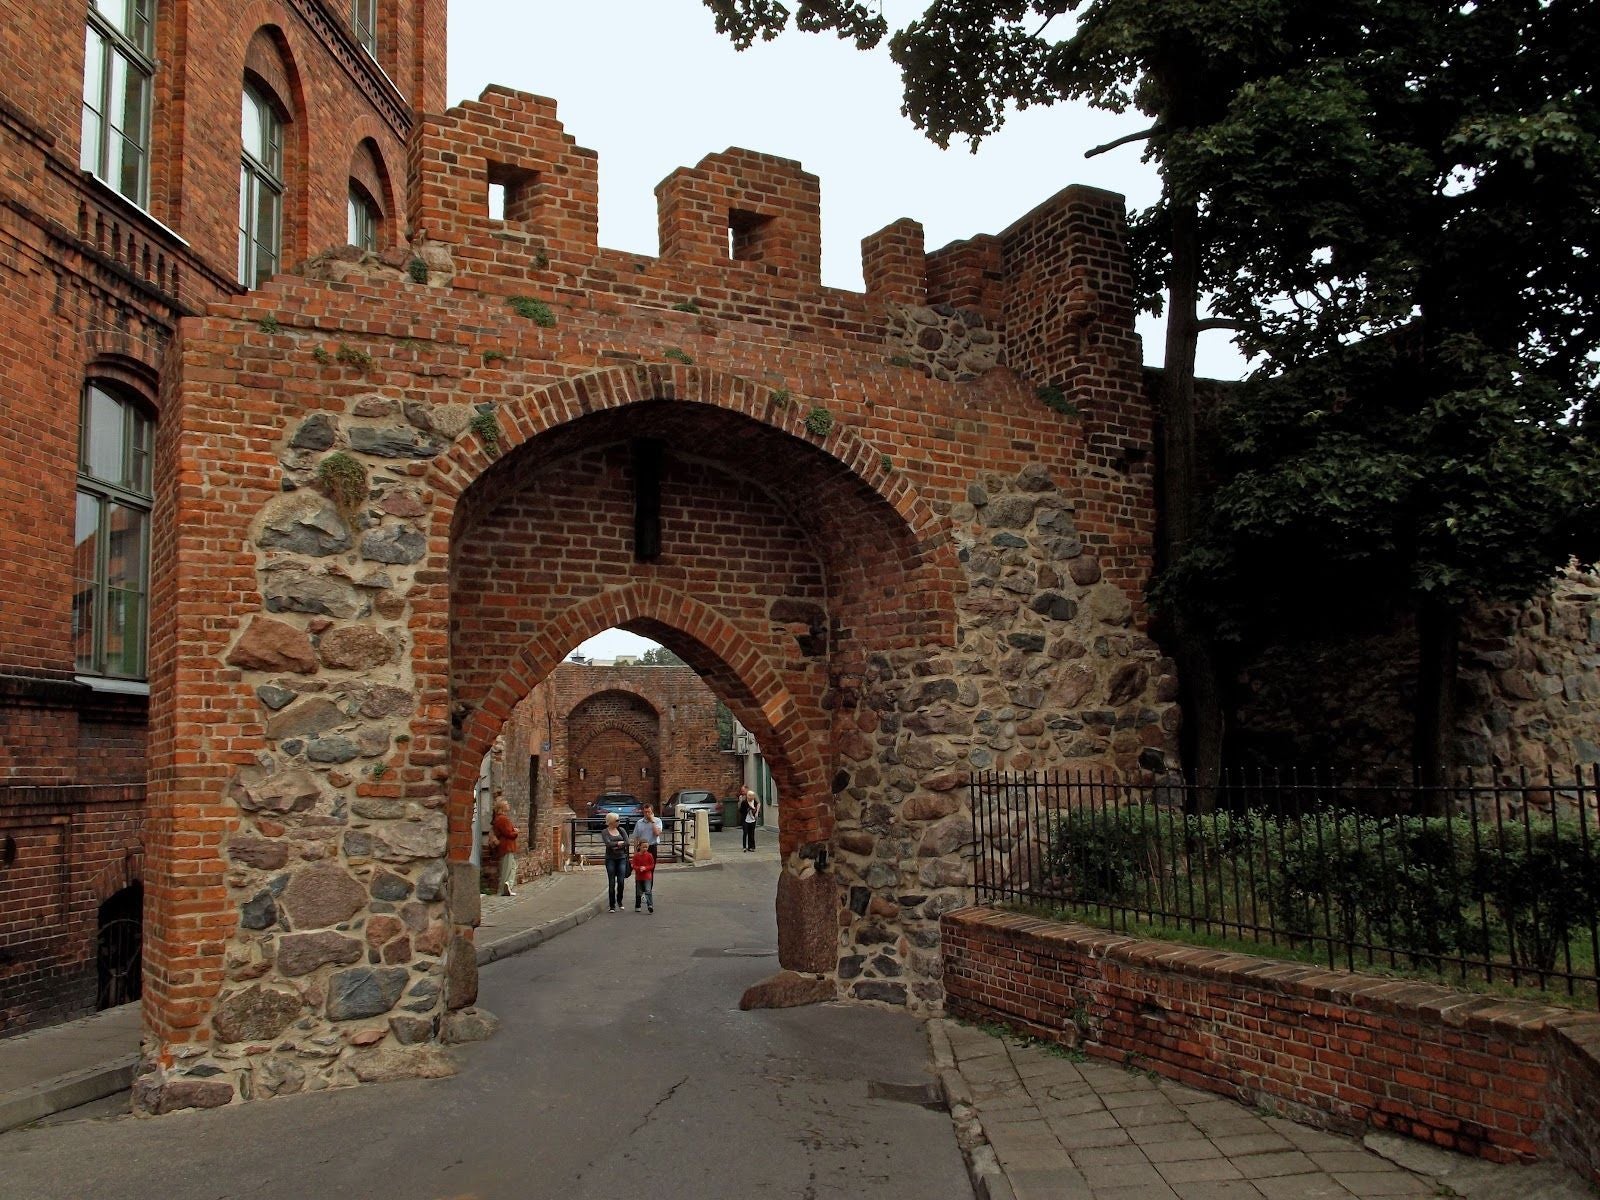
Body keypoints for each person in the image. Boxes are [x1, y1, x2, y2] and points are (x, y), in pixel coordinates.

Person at [490, 798, 521, 896]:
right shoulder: (502, 819)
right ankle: (503, 889)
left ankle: (508, 885)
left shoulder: (500, 818)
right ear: (502, 807)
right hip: (507, 845)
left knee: (512, 866)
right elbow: (508, 833)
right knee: (506, 869)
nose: (508, 805)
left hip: (507, 846)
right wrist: (516, 832)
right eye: (506, 804)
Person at [600, 811, 629, 912]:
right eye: (617, 820)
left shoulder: (621, 830)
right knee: (611, 882)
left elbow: (627, 842)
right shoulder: (605, 832)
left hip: (621, 858)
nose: (619, 821)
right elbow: (608, 844)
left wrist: (616, 845)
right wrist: (619, 844)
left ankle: (619, 900)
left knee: (621, 881)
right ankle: (612, 905)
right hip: (610, 859)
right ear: (611, 821)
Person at [632, 801, 663, 871]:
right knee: (640, 868)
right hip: (641, 847)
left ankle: (650, 882)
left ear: (652, 812)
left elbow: (657, 833)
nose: (647, 814)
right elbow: (636, 837)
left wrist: (652, 821)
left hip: (652, 846)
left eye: (649, 812)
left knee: (651, 868)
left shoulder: (658, 821)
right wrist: (635, 851)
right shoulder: (639, 822)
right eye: (645, 812)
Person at [631, 841, 656, 914]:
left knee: (648, 891)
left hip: (647, 876)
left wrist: (645, 868)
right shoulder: (636, 856)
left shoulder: (649, 855)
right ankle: (638, 906)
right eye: (643, 847)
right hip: (639, 876)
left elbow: (652, 865)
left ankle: (650, 905)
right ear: (639, 847)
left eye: (646, 847)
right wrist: (639, 868)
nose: (645, 848)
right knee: (638, 892)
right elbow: (633, 865)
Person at [738, 787, 761, 852]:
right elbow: (740, 810)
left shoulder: (755, 802)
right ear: (748, 796)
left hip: (752, 819)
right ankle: (744, 847)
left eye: (752, 796)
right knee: (745, 832)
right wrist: (747, 809)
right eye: (750, 796)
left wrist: (756, 812)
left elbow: (758, 805)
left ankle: (751, 847)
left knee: (752, 833)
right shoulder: (744, 802)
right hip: (745, 819)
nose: (751, 798)